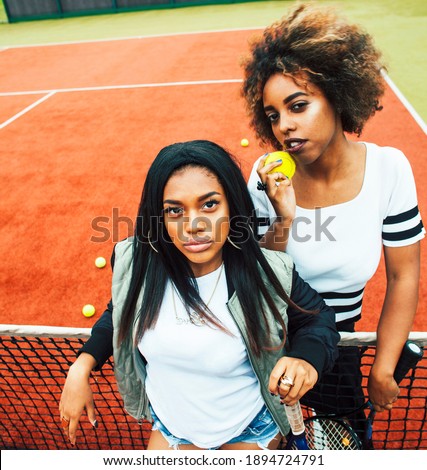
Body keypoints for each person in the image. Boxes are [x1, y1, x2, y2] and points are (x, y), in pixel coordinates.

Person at [59, 140, 339, 450]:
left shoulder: (267, 270)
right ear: (159, 217)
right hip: (171, 428)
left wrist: (305, 360)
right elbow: (121, 310)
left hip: (250, 429)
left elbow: (319, 320)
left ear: (232, 205)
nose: (193, 225)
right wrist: (82, 365)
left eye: (209, 204)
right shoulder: (136, 262)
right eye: (175, 210)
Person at [241, 2, 424, 442]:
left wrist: (383, 365)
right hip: (265, 349)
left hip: (339, 352)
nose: (284, 126)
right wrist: (282, 216)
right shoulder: (266, 176)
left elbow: (405, 275)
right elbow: (255, 277)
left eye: (298, 106)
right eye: (273, 116)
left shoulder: (388, 170)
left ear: (338, 95)